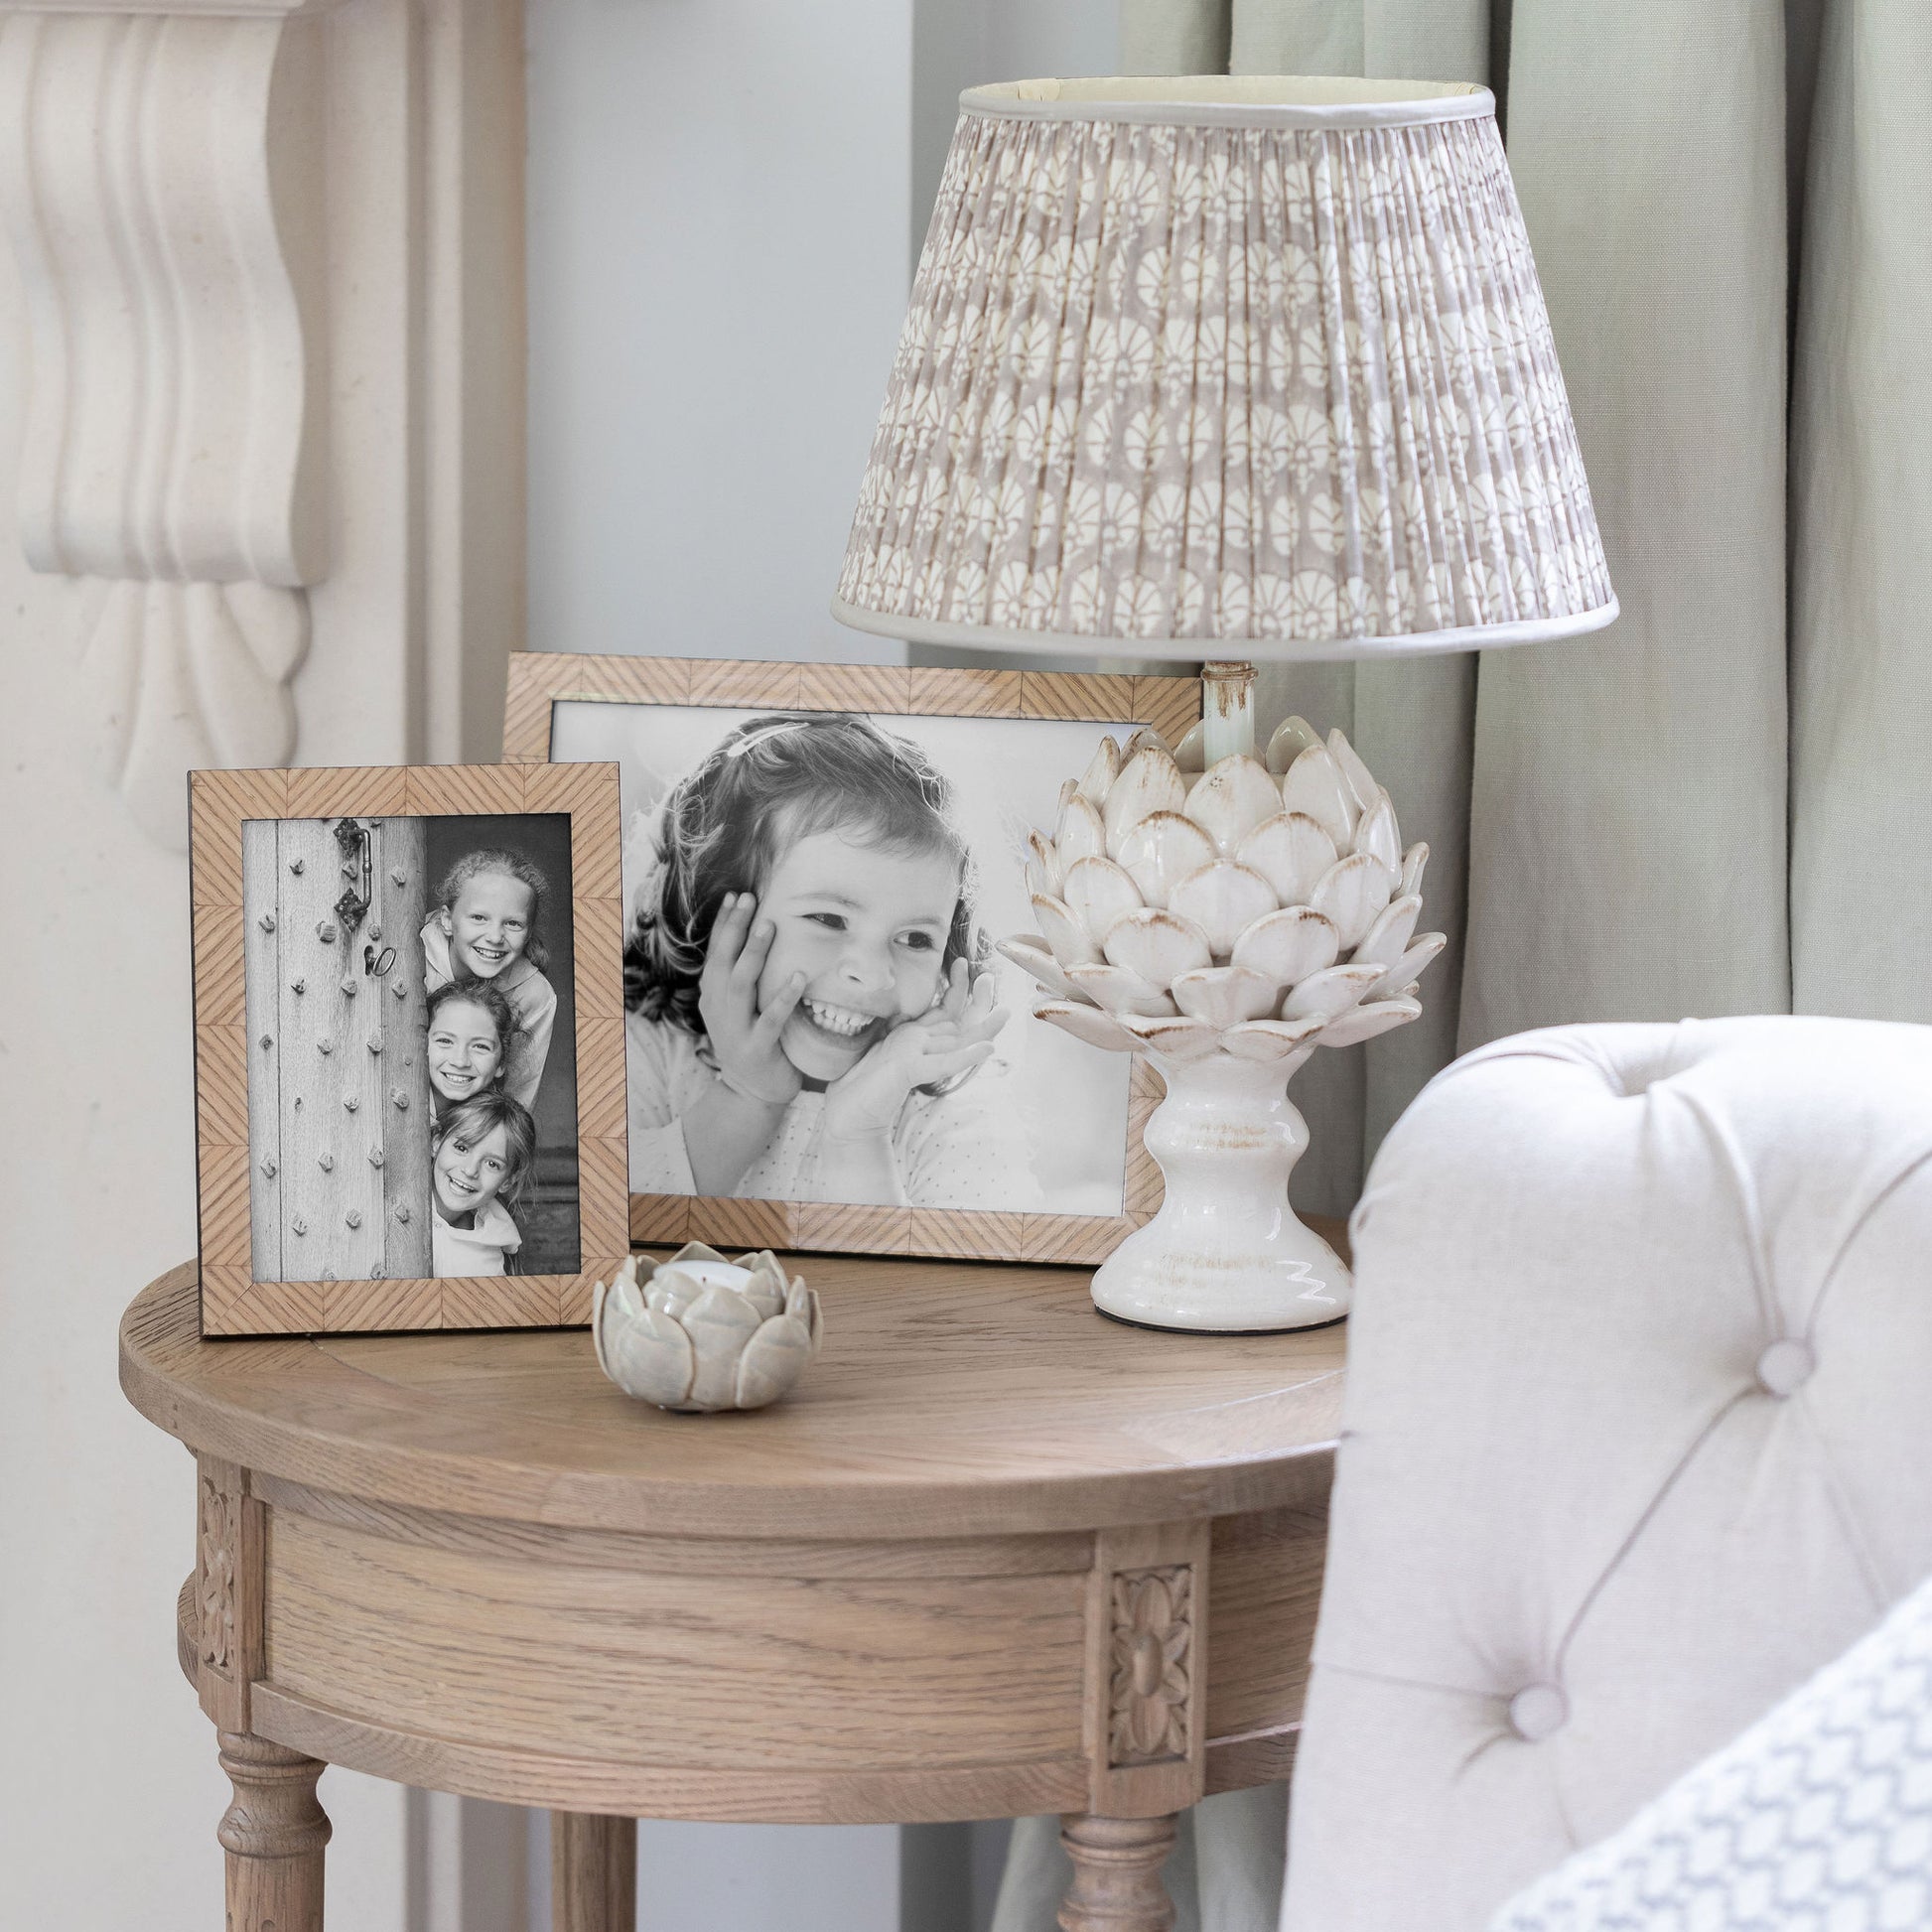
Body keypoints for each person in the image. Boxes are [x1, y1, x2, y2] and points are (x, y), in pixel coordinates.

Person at [623, 713, 1026, 1209]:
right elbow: (599, 1232)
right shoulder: (645, 1054)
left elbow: (934, 1289)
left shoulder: (952, 1115)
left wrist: (858, 1135)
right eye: (829, 919)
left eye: (917, 938)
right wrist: (747, 1098)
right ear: (720, 910)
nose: (873, 973)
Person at [420, 849, 556, 1111]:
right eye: (479, 918)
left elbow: (518, 1097)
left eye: (513, 924)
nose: (495, 936)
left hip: (470, 1129)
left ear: (528, 933)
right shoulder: (412, 955)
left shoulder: (534, 994)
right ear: (447, 920)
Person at [429, 1089, 536, 1277]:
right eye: (461, 1148)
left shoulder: (492, 1260)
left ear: (508, 1181)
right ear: (436, 1142)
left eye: (492, 1164)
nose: (470, 1170)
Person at [424, 979, 519, 1116]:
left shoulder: (499, 1130)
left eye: (480, 1046)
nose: (460, 1061)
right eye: (445, 1041)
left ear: (501, 1063)